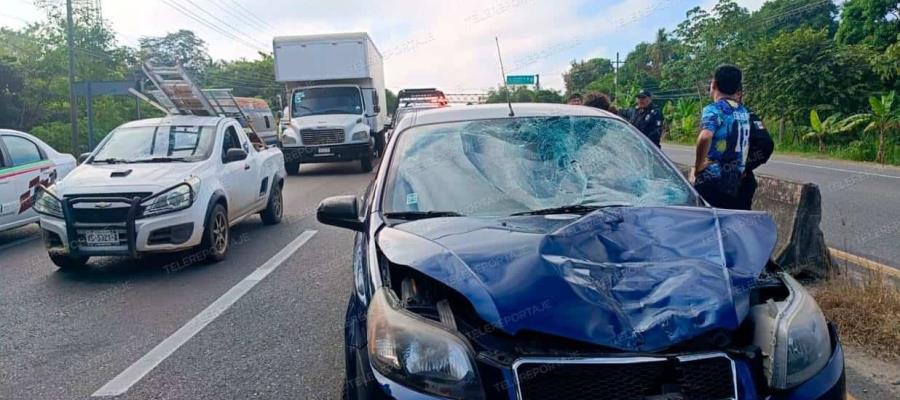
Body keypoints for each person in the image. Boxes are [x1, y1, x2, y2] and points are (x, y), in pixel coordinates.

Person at [693, 64, 752, 209]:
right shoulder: (744, 111)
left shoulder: (714, 109)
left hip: (713, 178)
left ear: (714, 84)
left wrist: (698, 166)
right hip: (735, 179)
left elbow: (705, 137)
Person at [735, 90, 775, 210]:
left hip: (736, 183)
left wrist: (743, 166)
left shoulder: (748, 116)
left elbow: (765, 144)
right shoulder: (716, 114)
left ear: (738, 94)